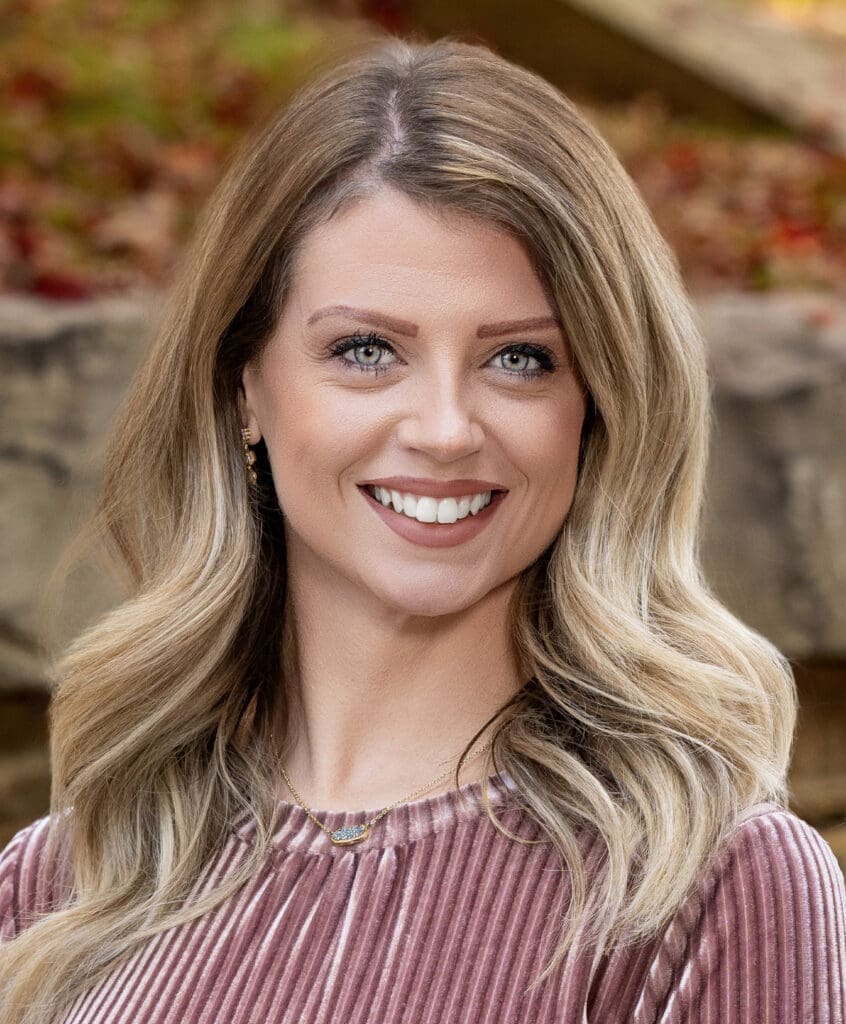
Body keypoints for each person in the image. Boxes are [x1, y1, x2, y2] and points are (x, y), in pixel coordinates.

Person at [1, 32, 844, 1024]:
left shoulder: (708, 885)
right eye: (366, 349)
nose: (445, 430)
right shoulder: (62, 883)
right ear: (244, 390)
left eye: (520, 360)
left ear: (599, 406)